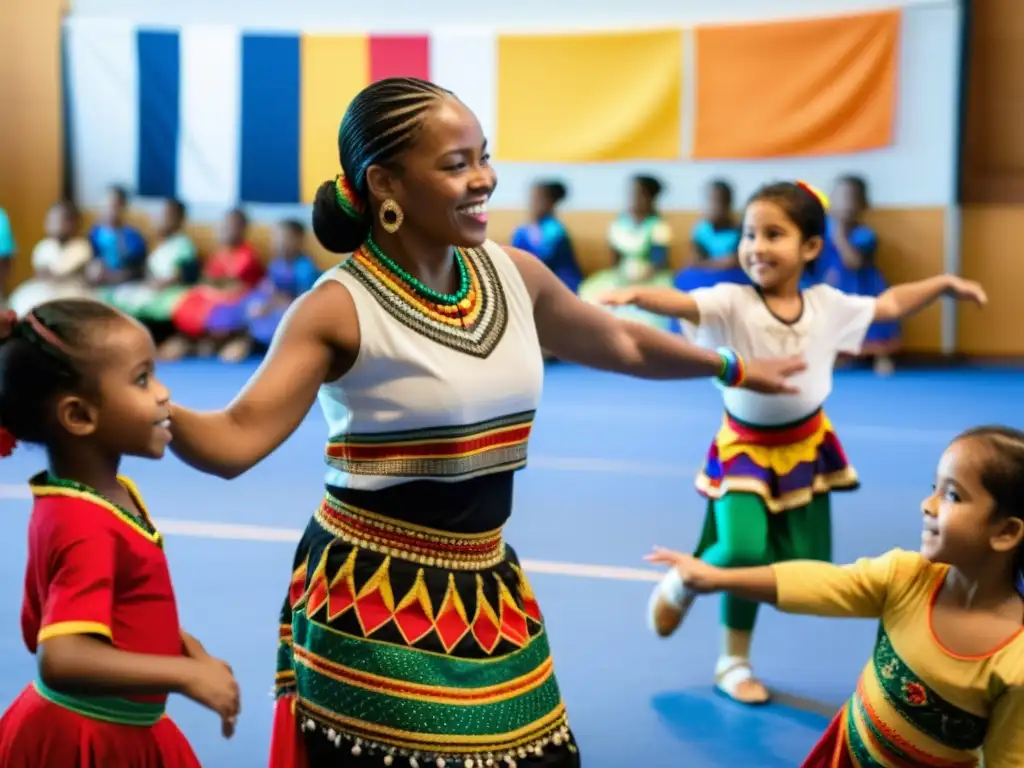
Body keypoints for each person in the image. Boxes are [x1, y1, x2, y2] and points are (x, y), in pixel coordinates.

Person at [162, 76, 804, 768]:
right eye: (456, 164)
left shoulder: (513, 274)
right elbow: (233, 441)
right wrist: (139, 403)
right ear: (385, 183)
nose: (484, 180)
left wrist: (731, 368)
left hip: (488, 586)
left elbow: (622, 341)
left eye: (484, 157)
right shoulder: (336, 309)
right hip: (371, 595)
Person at [598, 181, 987, 705]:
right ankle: (714, 632)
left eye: (774, 234)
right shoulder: (730, 302)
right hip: (743, 449)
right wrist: (635, 295)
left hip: (806, 449)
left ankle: (714, 612)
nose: (757, 246)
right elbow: (686, 305)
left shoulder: (827, 305)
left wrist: (940, 283)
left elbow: (889, 305)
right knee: (739, 548)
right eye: (750, 233)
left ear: (810, 248)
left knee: (801, 569)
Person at [645, 425, 1024, 767]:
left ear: (1006, 532)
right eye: (933, 489)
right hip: (846, 753)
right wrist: (718, 578)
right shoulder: (908, 577)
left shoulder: (1015, 662)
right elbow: (822, 583)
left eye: (953, 495)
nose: (928, 504)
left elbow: (1008, 760)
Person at [0, 299, 241, 766]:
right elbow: (62, 656)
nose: (164, 393)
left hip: (116, 725)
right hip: (87, 740)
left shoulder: (95, 496)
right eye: (142, 379)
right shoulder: (85, 525)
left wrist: (185, 649)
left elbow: (120, 614)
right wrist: (182, 675)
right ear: (79, 417)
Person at [815, 174, 899, 375]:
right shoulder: (820, 232)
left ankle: (881, 355)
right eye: (842, 198)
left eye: (853, 199)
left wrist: (841, 235)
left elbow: (854, 262)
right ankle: (836, 356)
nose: (847, 204)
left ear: (864, 205)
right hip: (832, 288)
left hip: (863, 289)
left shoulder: (864, 234)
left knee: (875, 316)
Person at [577, 174, 676, 330]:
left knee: (650, 309)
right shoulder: (619, 224)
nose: (633, 198)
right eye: (631, 193)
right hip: (622, 276)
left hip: (651, 278)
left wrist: (644, 274)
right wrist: (620, 274)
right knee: (594, 296)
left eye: (639, 194)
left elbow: (660, 260)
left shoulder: (658, 227)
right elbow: (614, 257)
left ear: (650, 198)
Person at [8, 201, 94, 316]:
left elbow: (70, 272)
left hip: (72, 291)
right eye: (49, 220)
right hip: (46, 289)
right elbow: (41, 273)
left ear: (73, 224)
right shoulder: (43, 246)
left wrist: (56, 274)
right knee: (20, 299)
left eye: (57, 221)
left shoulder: (81, 247)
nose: (50, 224)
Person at [510, 180, 581, 294]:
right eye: (531, 198)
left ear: (550, 202)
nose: (533, 203)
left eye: (538, 199)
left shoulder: (554, 229)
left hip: (558, 281)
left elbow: (543, 256)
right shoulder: (523, 230)